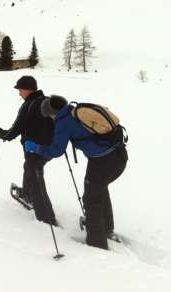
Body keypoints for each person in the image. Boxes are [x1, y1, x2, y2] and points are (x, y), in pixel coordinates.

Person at [25, 95, 128, 250]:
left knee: (91, 199)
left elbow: (56, 150)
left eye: (50, 117)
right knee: (99, 191)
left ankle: (96, 244)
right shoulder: (74, 110)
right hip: (118, 155)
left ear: (52, 113)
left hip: (103, 161)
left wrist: (36, 147)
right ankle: (105, 228)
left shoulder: (63, 122)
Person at [0, 76, 57, 225]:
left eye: (20, 90)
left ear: (28, 90)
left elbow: (16, 128)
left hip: (35, 149)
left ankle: (46, 218)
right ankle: (27, 194)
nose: (19, 94)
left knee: (36, 179)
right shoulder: (48, 101)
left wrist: (2, 134)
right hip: (50, 149)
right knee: (29, 168)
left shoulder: (29, 105)